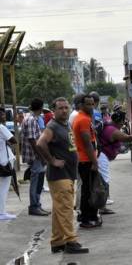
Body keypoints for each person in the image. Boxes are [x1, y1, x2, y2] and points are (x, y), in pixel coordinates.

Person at [36, 97, 89, 254]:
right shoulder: (52, 126)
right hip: (59, 175)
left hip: (67, 174)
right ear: (54, 110)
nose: (64, 110)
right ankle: (71, 241)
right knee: (66, 209)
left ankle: (57, 241)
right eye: (60, 108)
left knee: (60, 208)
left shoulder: (65, 125)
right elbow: (40, 143)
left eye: (66, 107)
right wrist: (52, 160)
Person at [97, 111, 132, 215]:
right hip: (102, 157)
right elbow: (127, 138)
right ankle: (102, 207)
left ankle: (102, 205)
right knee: (104, 181)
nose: (122, 125)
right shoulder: (112, 130)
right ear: (119, 122)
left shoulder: (108, 125)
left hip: (102, 155)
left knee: (102, 180)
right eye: (122, 122)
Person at [72, 95, 101, 228]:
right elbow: (87, 143)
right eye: (88, 104)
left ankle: (90, 216)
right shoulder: (83, 119)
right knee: (88, 190)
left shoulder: (85, 118)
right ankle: (86, 218)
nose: (91, 107)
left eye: (92, 104)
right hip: (85, 160)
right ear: (81, 105)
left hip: (86, 159)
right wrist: (94, 162)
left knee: (88, 189)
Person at [22, 98, 50, 216]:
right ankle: (34, 206)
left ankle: (37, 204)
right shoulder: (31, 119)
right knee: (35, 180)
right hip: (35, 155)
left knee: (39, 180)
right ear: (41, 108)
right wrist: (41, 156)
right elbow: (33, 140)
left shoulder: (33, 118)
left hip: (37, 154)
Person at [0, 107, 17, 221]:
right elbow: (13, 140)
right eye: (2, 114)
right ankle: (1, 213)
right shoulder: (1, 127)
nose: (4, 116)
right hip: (4, 161)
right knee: (3, 188)